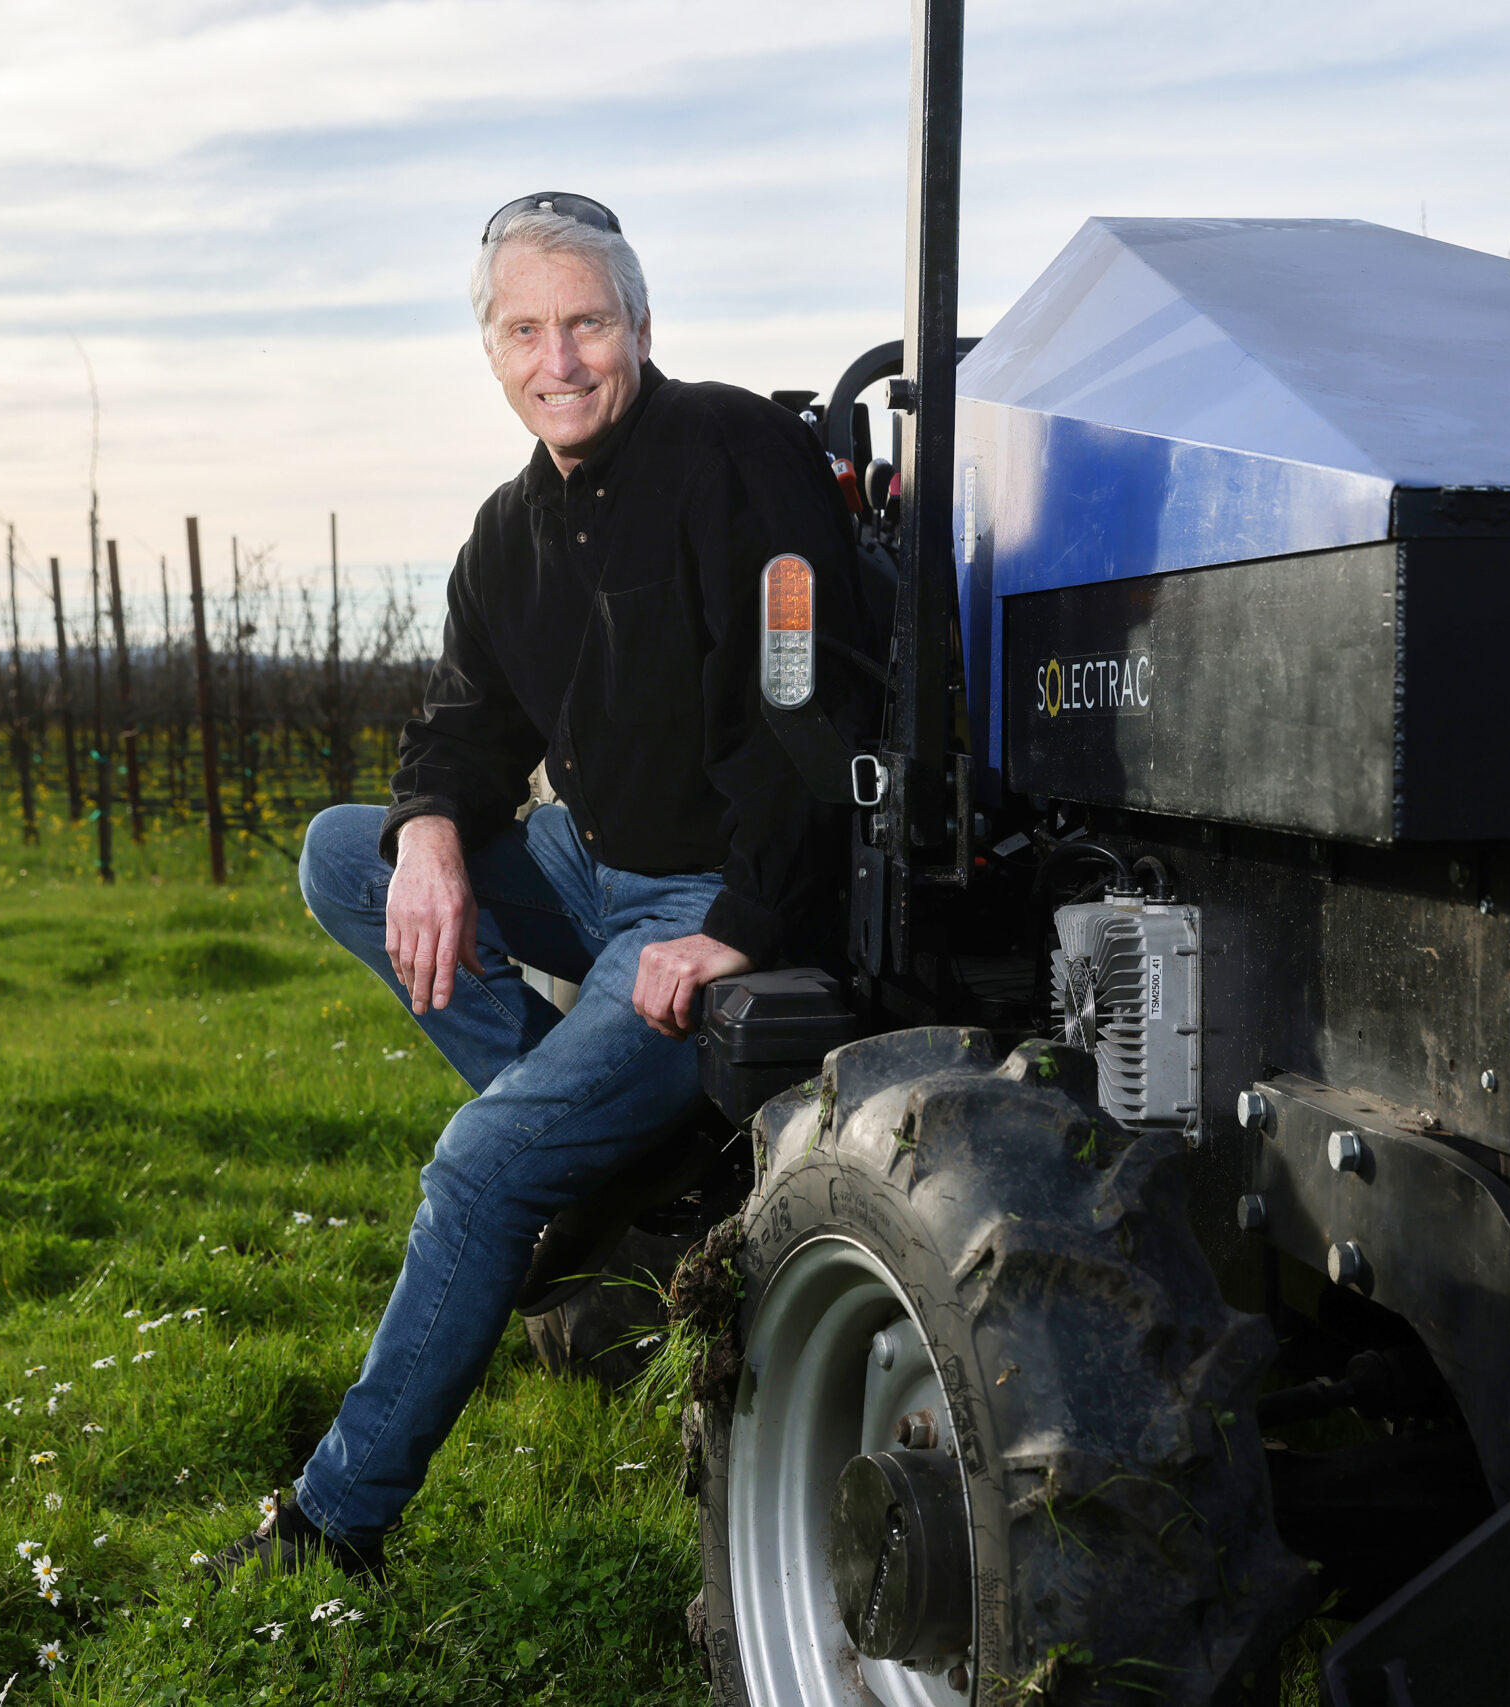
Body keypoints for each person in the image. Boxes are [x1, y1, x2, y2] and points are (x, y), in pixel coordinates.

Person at [207, 192, 867, 1579]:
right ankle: (606, 1148)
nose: (556, 358)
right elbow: (458, 726)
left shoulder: (732, 450)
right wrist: (434, 827)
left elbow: (820, 722)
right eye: (524, 330)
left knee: (479, 1167)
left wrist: (739, 928)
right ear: (492, 352)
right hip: (595, 866)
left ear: (638, 324)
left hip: (714, 896)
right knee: (348, 848)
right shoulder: (508, 536)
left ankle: (335, 1520)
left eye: (583, 323)